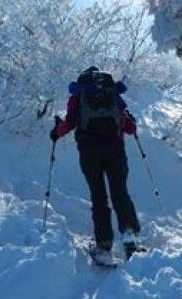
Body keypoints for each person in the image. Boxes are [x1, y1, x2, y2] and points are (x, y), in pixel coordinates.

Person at [49, 66, 142, 262]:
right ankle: (130, 237)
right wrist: (130, 122)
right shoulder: (112, 92)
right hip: (115, 150)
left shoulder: (79, 94)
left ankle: (103, 245)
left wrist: (56, 132)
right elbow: (130, 127)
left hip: (89, 151)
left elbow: (70, 122)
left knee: (98, 196)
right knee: (120, 193)